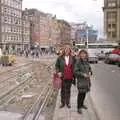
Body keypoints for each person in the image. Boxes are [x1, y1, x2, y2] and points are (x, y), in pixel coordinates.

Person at [74, 49, 92, 114]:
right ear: (80, 54)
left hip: (86, 81)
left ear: (86, 55)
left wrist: (90, 72)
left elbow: (89, 68)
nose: (83, 55)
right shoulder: (78, 62)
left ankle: (82, 104)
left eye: (84, 53)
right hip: (81, 81)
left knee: (84, 94)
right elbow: (75, 71)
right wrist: (83, 74)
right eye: (81, 53)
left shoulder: (86, 61)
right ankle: (78, 107)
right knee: (80, 94)